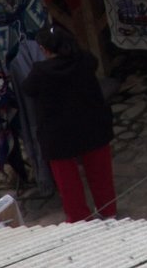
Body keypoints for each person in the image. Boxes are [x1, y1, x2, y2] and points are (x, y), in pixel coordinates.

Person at [18, 24, 116, 222]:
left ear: (45, 50)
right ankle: (109, 212)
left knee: (68, 182)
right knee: (101, 175)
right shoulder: (85, 59)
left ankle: (79, 219)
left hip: (58, 134)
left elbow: (28, 88)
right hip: (92, 125)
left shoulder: (40, 73)